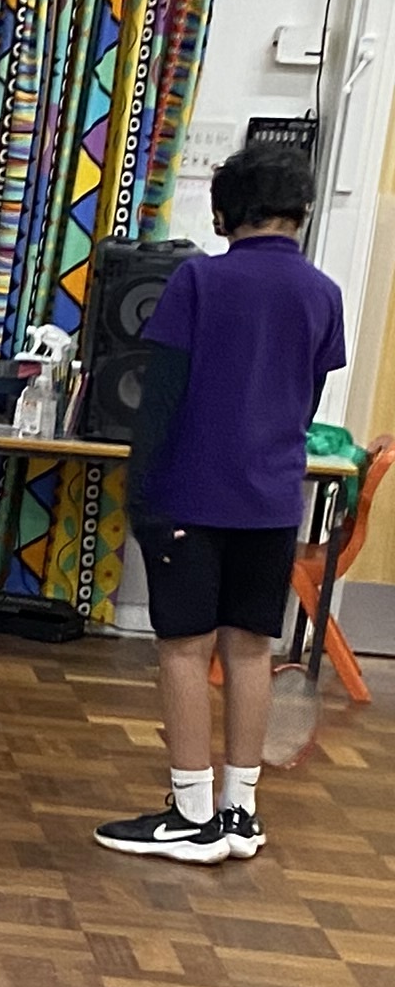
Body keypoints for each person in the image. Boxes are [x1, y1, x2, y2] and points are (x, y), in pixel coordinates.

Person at [96, 139, 345, 865]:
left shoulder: (198, 281)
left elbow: (159, 400)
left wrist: (142, 496)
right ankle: (240, 812)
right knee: (251, 648)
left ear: (223, 213)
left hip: (191, 496)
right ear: (300, 211)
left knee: (183, 649)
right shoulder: (324, 292)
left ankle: (190, 811)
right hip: (273, 501)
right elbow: (306, 399)